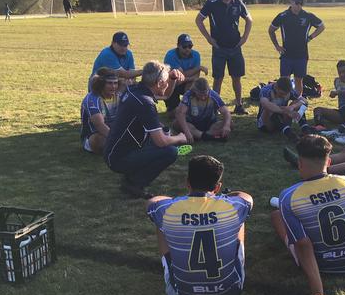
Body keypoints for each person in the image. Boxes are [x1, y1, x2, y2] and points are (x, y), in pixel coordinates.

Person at [271, 135, 345, 295]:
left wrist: (318, 291)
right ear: (329, 161)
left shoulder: (288, 196)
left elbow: (303, 245)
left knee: (276, 215)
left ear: (300, 163)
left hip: (319, 264)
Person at [147, 155, 253, 295]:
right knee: (240, 218)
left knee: (161, 222)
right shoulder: (233, 206)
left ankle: (170, 266)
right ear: (217, 187)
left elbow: (153, 201)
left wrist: (178, 201)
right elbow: (246, 197)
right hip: (228, 293)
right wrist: (223, 196)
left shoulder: (167, 209)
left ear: (187, 183)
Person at [104, 61, 187, 198]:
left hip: (114, 150)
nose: (166, 84)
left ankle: (132, 174)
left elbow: (165, 95)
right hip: (118, 158)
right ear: (159, 83)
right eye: (166, 81)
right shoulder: (145, 102)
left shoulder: (135, 89)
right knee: (170, 151)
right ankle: (133, 183)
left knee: (161, 133)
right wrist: (180, 138)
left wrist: (171, 78)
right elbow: (161, 141)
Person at [196, 0, 253, 115]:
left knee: (236, 78)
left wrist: (244, 38)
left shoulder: (238, 3)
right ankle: (215, 107)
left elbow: (249, 20)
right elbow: (198, 20)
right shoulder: (212, 2)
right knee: (218, 79)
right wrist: (209, 38)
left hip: (235, 47)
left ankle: (238, 105)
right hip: (219, 48)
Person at [269, 0, 325, 97]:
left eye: (301, 3)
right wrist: (277, 45)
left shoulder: (308, 16)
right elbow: (271, 30)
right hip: (286, 55)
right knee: (284, 81)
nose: (299, 5)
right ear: (291, 2)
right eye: (297, 3)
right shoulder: (283, 16)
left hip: (301, 55)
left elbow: (321, 26)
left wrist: (310, 37)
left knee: (299, 80)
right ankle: (283, 102)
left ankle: (297, 102)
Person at [173, 78, 232, 143]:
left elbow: (226, 112)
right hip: (192, 124)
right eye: (200, 95)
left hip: (210, 124)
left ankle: (201, 136)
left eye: (205, 94)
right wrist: (187, 132)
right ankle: (208, 136)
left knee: (230, 123)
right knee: (177, 124)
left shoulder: (213, 95)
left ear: (208, 90)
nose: (203, 97)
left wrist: (226, 125)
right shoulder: (188, 95)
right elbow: (181, 113)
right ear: (195, 91)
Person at [163, 34, 209, 115]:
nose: (187, 49)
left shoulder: (196, 55)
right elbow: (180, 76)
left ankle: (188, 105)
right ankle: (176, 108)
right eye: (184, 46)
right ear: (178, 46)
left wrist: (190, 78)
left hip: (187, 83)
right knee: (172, 114)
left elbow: (196, 77)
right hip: (172, 85)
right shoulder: (170, 55)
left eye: (190, 46)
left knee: (194, 85)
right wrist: (198, 68)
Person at [257, 77, 313, 142]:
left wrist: (292, 107)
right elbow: (265, 104)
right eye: (281, 93)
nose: (283, 96)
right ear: (276, 87)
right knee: (269, 108)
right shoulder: (266, 90)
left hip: (282, 118)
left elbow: (304, 101)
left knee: (298, 104)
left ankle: (305, 129)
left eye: (286, 94)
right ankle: (289, 134)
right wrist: (286, 111)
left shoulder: (289, 90)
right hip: (266, 123)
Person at [313, 60, 345, 127]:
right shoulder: (337, 81)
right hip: (342, 112)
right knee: (317, 110)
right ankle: (319, 127)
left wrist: (339, 92)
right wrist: (333, 93)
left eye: (344, 72)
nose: (342, 75)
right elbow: (340, 89)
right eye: (339, 72)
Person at [80, 68, 120, 154]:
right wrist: (119, 140)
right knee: (100, 141)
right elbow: (100, 125)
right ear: (101, 84)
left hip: (114, 132)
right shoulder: (92, 100)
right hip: (96, 134)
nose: (113, 86)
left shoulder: (119, 95)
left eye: (115, 83)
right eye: (109, 83)